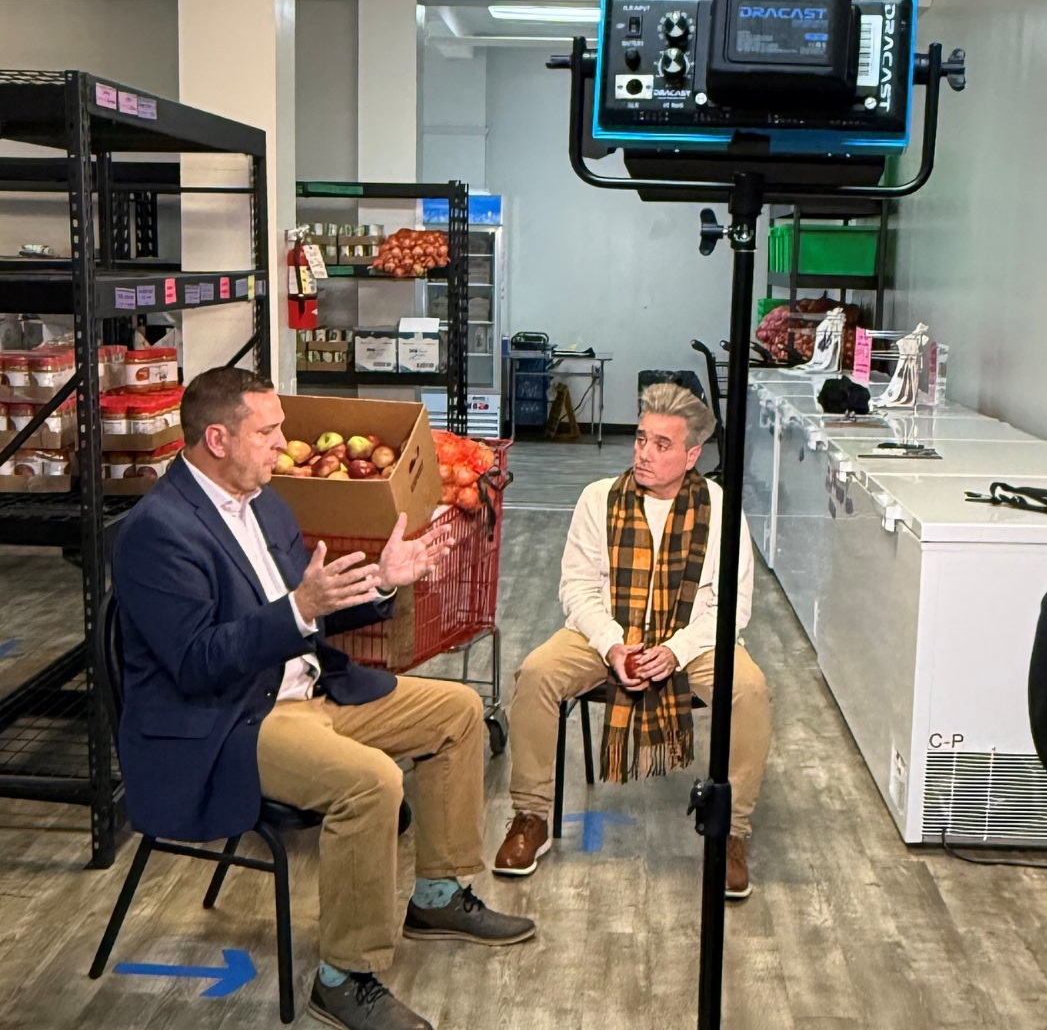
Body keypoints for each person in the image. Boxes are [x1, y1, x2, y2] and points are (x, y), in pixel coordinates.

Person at [112, 367, 534, 1030]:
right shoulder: (156, 531)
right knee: (369, 784)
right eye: (268, 431)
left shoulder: (267, 504)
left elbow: (310, 612)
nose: (282, 443)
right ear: (217, 439)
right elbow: (198, 664)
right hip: (233, 717)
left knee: (455, 712)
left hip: (307, 687)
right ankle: (344, 977)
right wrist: (298, 610)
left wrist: (381, 588)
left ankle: (438, 892)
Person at [493, 383, 771, 897]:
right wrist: (613, 645)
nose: (644, 452)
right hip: (609, 634)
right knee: (536, 672)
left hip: (691, 639)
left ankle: (731, 833)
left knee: (748, 689)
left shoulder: (721, 510)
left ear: (692, 456)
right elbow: (575, 587)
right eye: (641, 438)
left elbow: (731, 606)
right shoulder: (598, 499)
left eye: (661, 444)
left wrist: (676, 651)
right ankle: (530, 816)